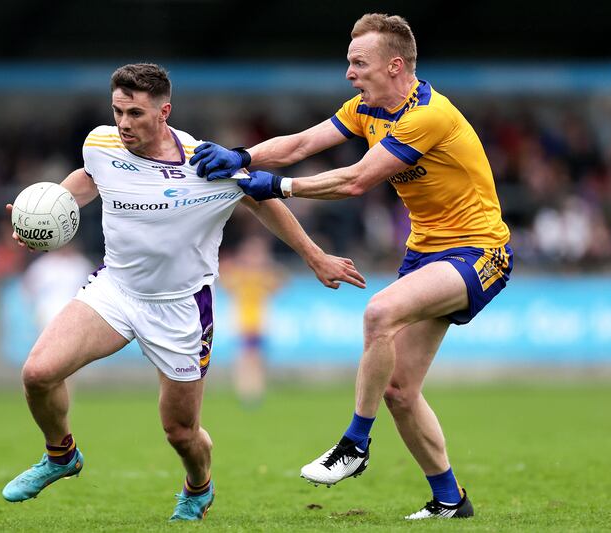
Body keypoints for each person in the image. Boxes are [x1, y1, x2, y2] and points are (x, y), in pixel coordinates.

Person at [0, 63, 366, 522]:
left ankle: (198, 486)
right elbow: (89, 177)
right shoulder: (101, 143)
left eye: (135, 113)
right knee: (37, 373)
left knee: (180, 431)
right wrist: (47, 209)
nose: (124, 123)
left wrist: (316, 256)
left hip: (181, 309)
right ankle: (61, 456)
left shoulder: (207, 164)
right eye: (118, 111)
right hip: (116, 289)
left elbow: (262, 201)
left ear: (164, 111)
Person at [190, 13, 513, 520]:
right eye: (348, 62)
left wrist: (278, 186)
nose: (349, 73)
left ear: (395, 65)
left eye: (358, 63)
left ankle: (354, 445)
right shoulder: (365, 108)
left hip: (479, 253)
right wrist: (241, 156)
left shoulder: (428, 115)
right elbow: (298, 145)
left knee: (378, 313)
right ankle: (451, 501)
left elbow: (358, 180)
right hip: (425, 253)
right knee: (399, 392)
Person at [219, 233, 285, 407]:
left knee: (255, 359)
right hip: (243, 323)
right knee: (247, 358)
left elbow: (280, 284)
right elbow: (225, 284)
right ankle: (248, 392)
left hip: (261, 323)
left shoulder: (264, 274)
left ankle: (252, 391)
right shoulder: (238, 273)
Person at [22, 242, 94, 332]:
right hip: (47, 319)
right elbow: (28, 290)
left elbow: (91, 292)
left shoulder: (82, 265)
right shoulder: (42, 265)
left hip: (75, 319)